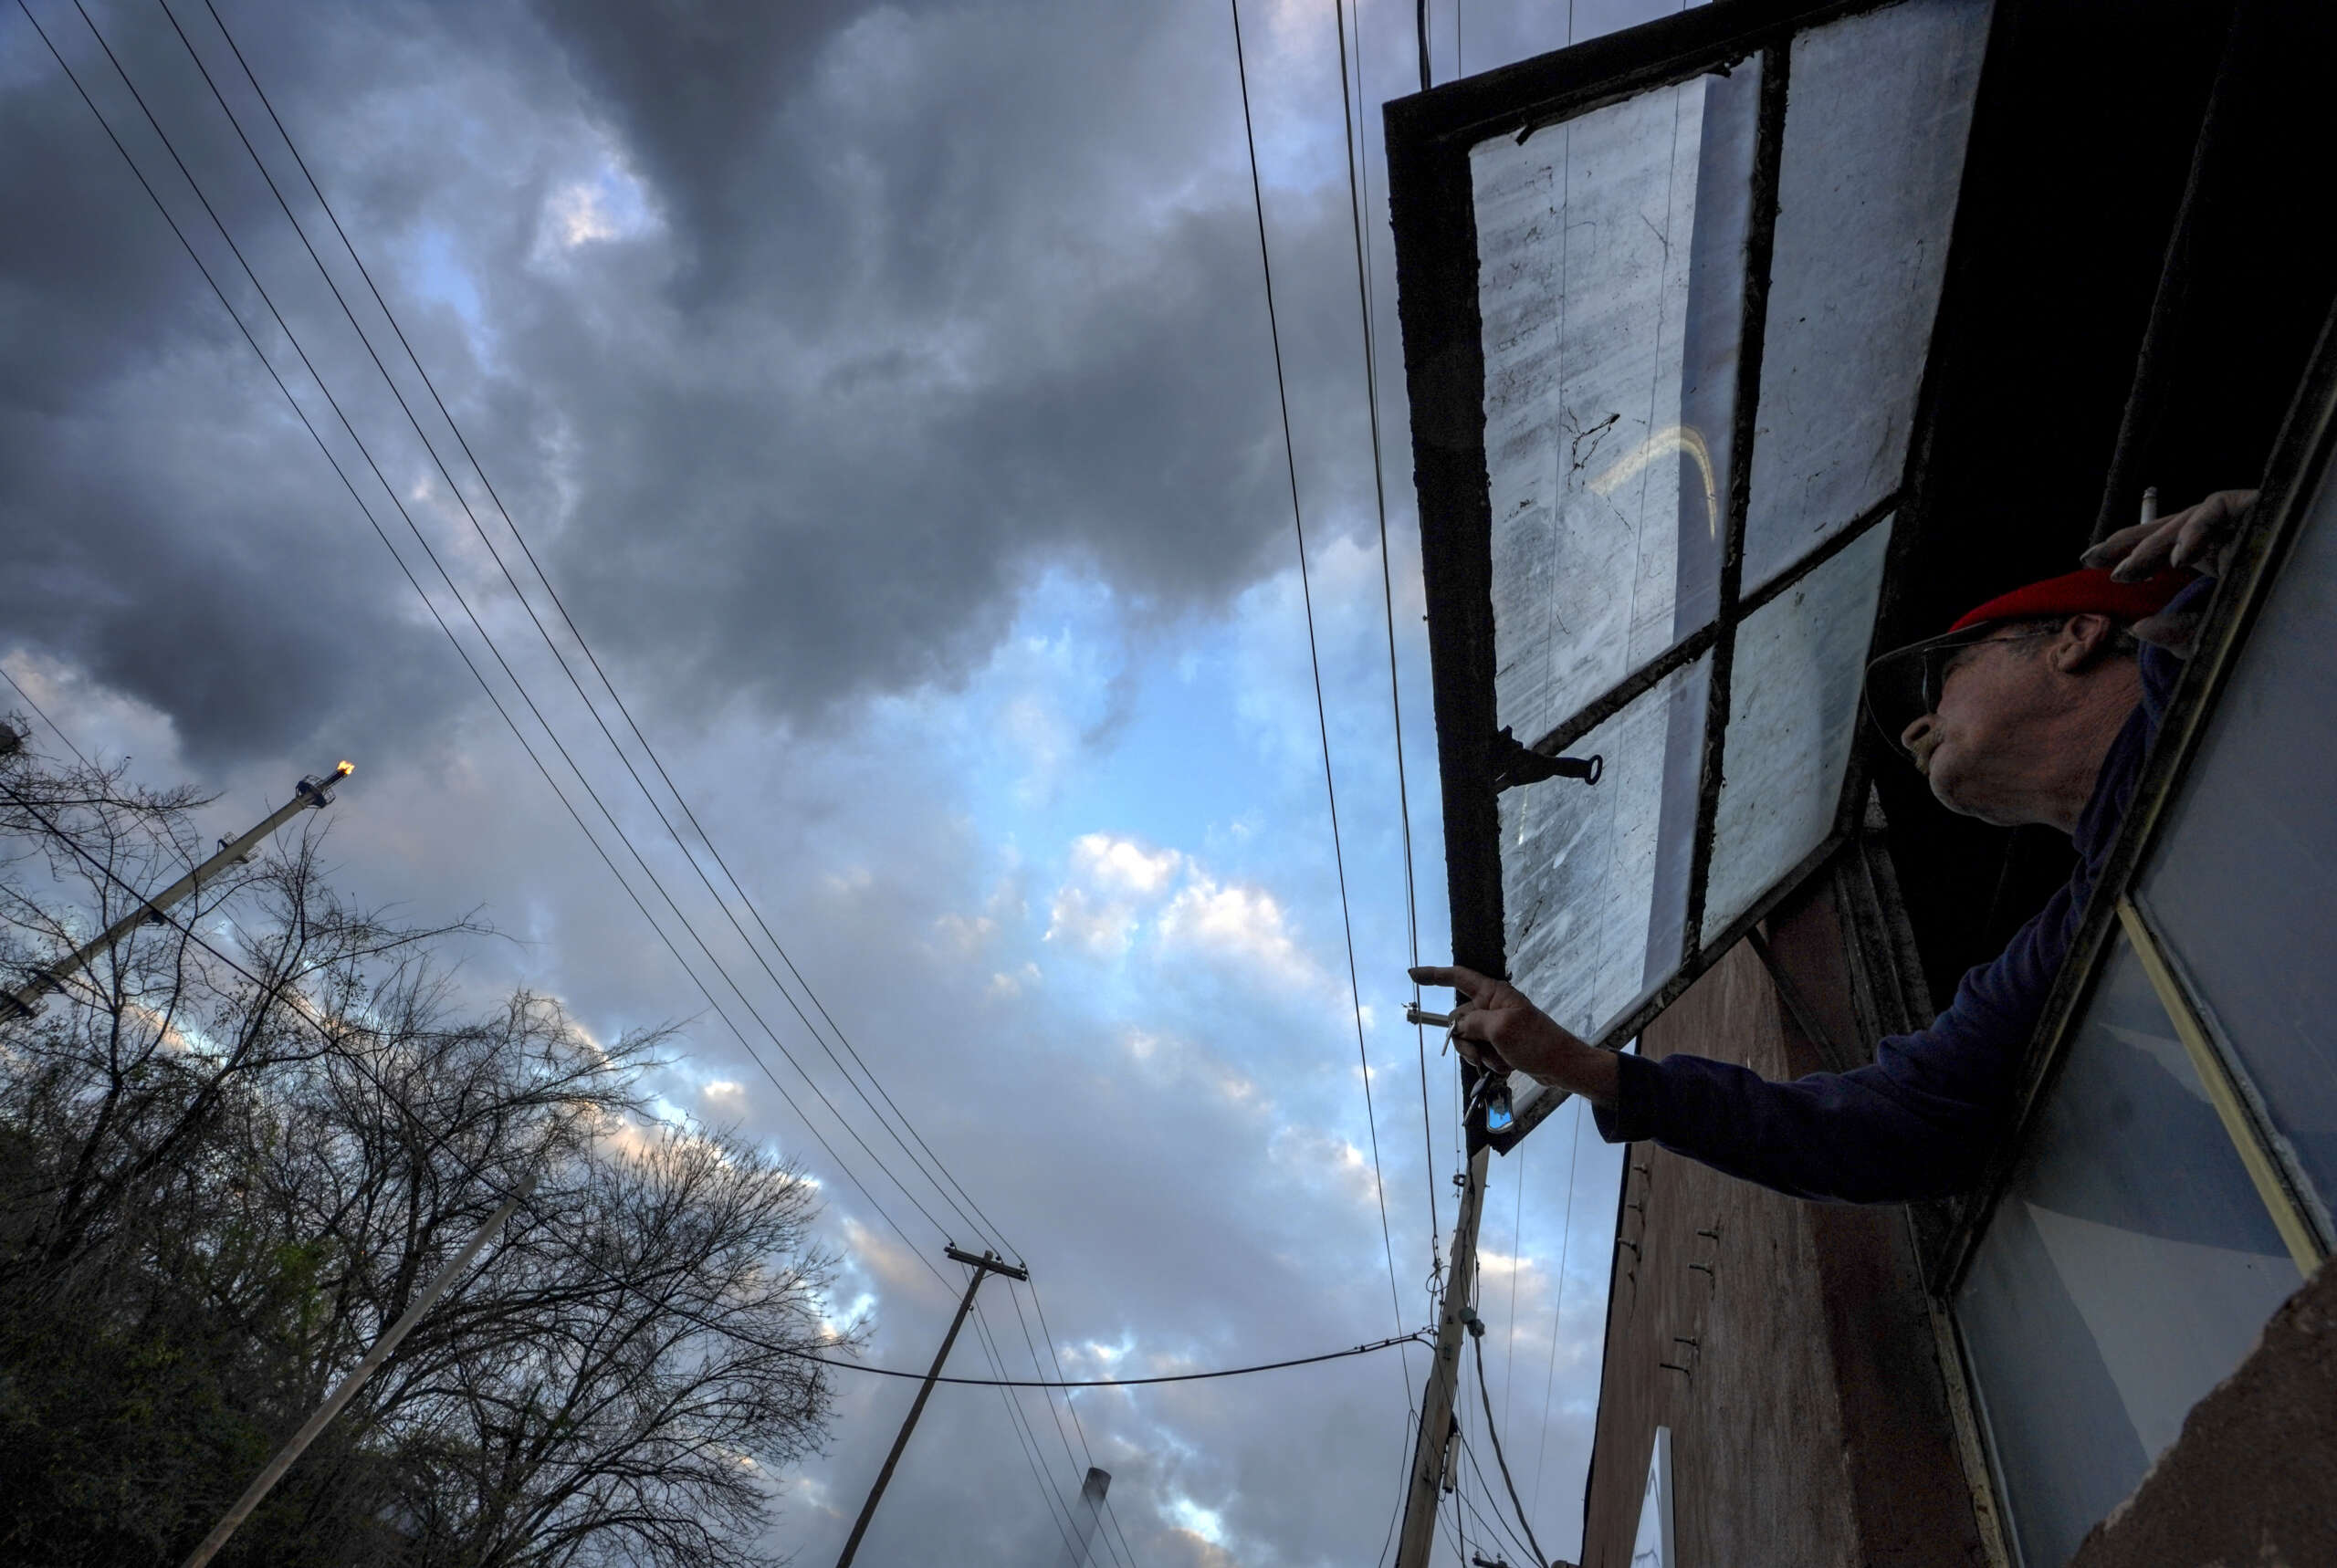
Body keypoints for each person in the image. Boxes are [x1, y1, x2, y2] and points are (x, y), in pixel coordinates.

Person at [1410, 490, 2257, 1203]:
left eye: (1939, 677)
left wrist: (2268, 540)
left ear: (2075, 636)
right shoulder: (2077, 938)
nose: (1917, 729)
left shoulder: (2252, 645)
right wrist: (1584, 1067)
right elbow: (1887, 1126)